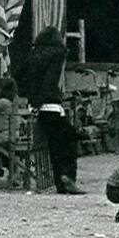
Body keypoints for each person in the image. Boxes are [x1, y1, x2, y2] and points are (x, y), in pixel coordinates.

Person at [24, 25, 84, 194]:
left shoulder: (33, 55)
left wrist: (33, 102)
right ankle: (66, 177)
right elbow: (50, 81)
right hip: (50, 104)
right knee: (67, 141)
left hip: (36, 105)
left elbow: (24, 77)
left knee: (50, 144)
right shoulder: (57, 54)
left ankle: (59, 181)